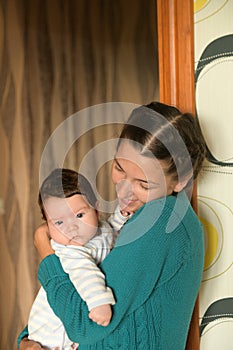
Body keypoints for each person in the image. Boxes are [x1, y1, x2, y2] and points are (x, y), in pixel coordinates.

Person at [19, 101, 206, 350]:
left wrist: (45, 251)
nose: (124, 190)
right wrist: (30, 340)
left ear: (180, 180)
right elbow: (78, 285)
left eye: (144, 184)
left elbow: (84, 325)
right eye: (119, 168)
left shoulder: (163, 222)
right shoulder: (132, 217)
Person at [26, 168, 129, 350]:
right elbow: (84, 272)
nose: (71, 228)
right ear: (47, 225)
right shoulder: (69, 250)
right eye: (59, 222)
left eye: (79, 216)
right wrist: (99, 302)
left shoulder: (98, 231)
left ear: (97, 210)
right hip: (49, 331)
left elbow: (109, 233)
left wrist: (121, 215)